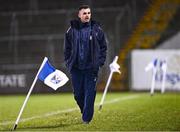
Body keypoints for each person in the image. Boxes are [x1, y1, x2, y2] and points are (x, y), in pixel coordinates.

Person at [64, 5, 107, 124]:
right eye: (84, 13)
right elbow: (67, 48)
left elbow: (104, 47)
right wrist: (68, 62)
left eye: (89, 13)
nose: (87, 15)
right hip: (76, 68)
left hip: (91, 68)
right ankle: (85, 111)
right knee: (78, 95)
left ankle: (86, 119)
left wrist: (100, 62)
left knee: (90, 93)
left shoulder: (97, 29)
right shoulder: (71, 30)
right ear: (79, 15)